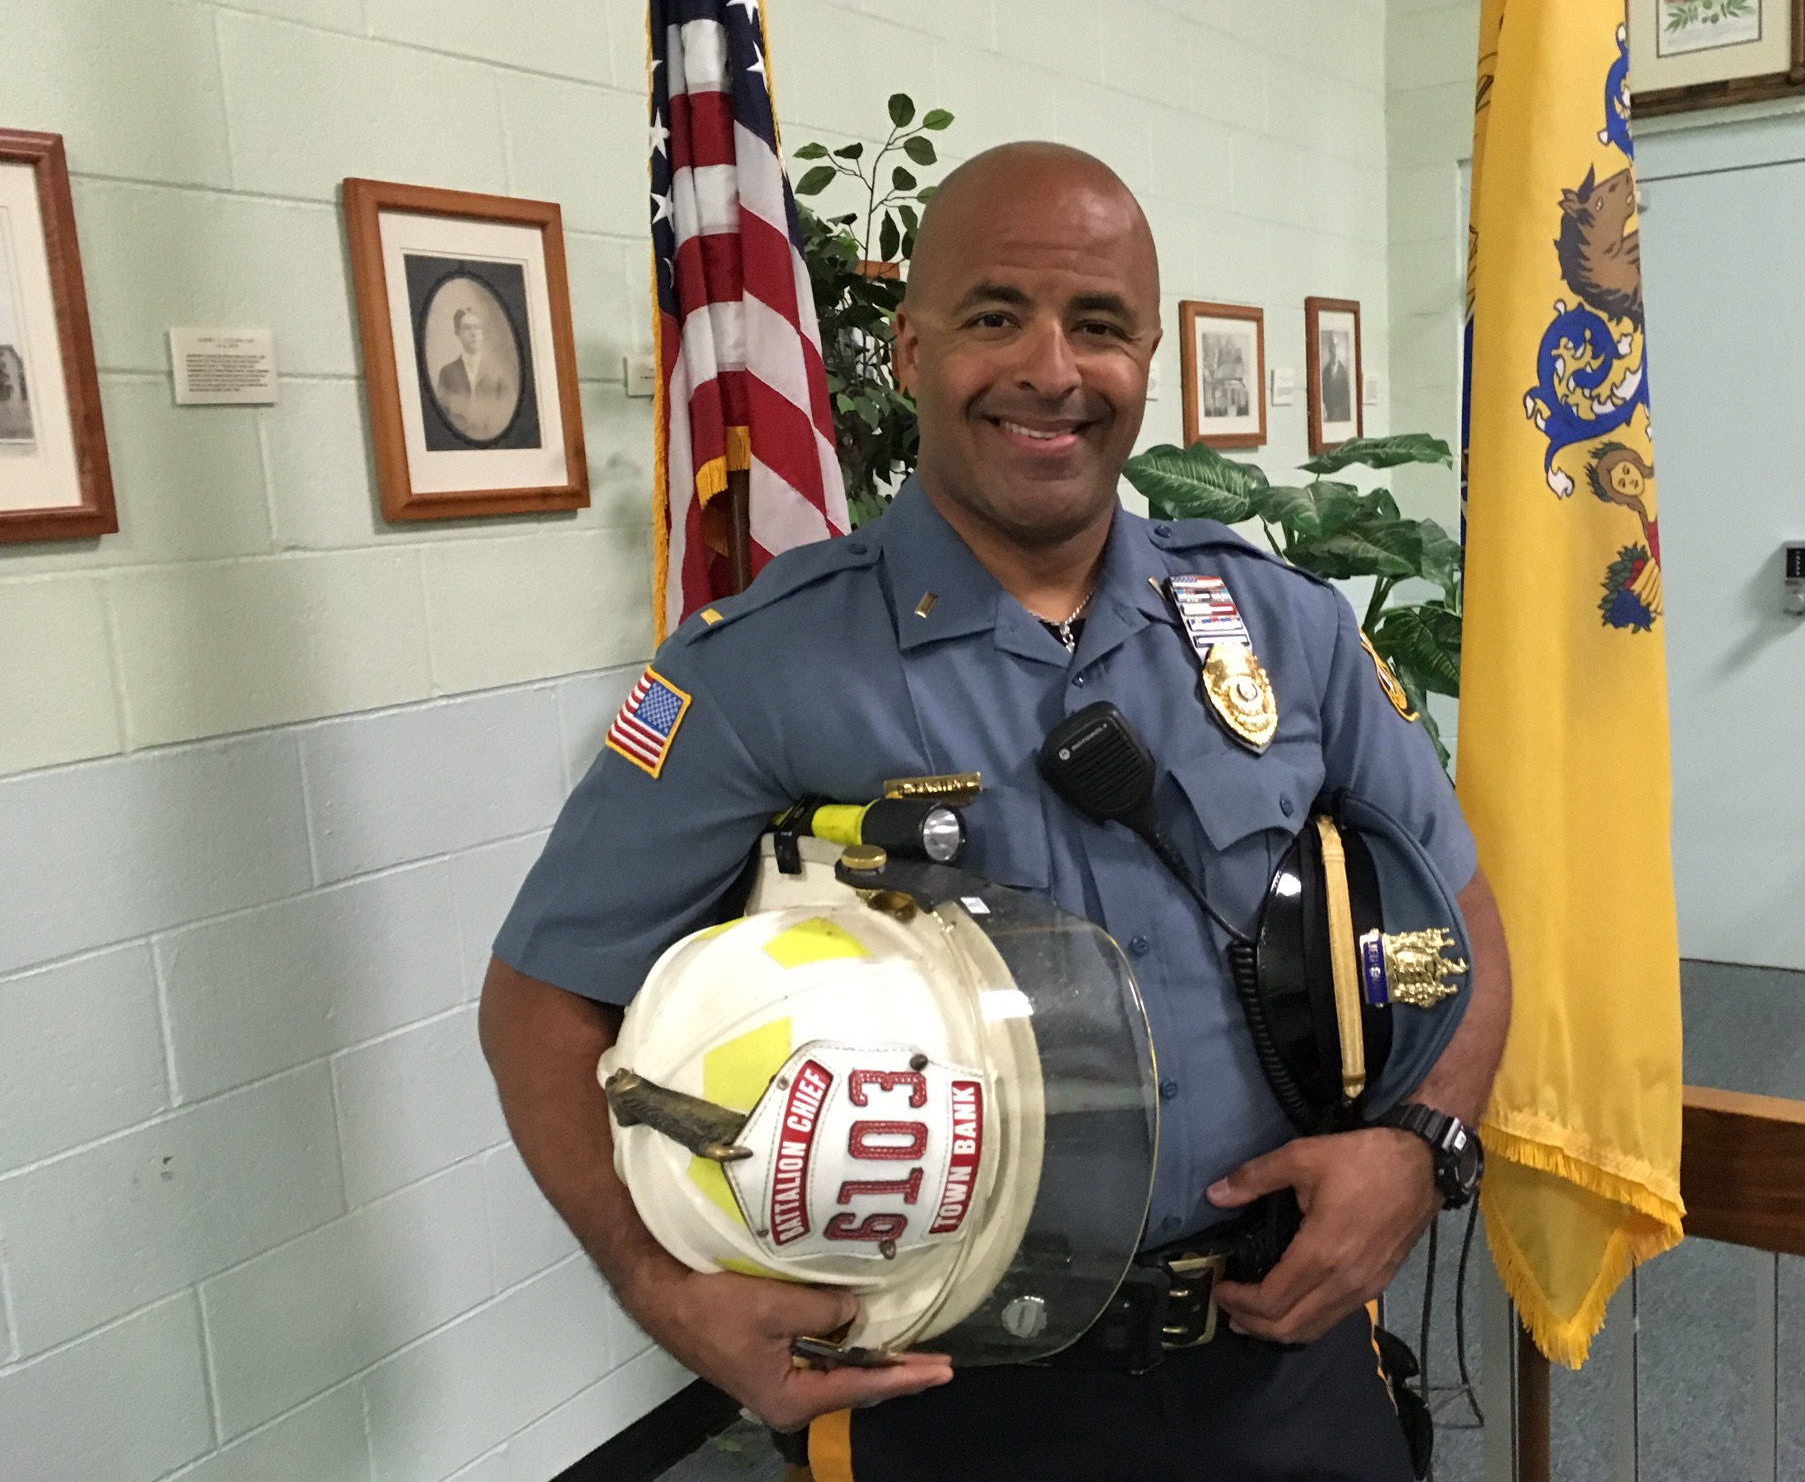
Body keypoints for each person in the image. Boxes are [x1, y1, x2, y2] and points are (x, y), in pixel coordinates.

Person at [478, 141, 1511, 1482]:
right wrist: (655, 1283)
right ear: (908, 351)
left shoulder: (1280, 626)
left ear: (1147, 352)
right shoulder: (759, 673)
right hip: (951, 1400)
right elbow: (541, 1003)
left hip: (1286, 1362)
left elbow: (1464, 911)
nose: (1050, 370)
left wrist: (1421, 1149)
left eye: (1099, 327)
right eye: (992, 317)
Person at [434, 302, 513, 440]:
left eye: (477, 328)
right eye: (467, 328)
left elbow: (506, 414)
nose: (474, 333)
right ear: (457, 333)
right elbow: (442, 418)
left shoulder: (499, 373)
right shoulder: (447, 373)